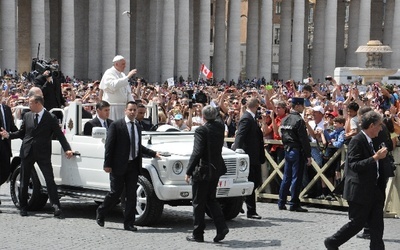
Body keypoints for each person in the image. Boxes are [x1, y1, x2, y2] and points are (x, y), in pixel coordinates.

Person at [2, 95, 74, 218]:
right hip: (27, 151)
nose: (28, 105)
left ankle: (56, 206)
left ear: (37, 103)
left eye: (30, 103)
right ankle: (23, 206)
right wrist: (8, 135)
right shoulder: (27, 116)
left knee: (49, 179)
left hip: (43, 153)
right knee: (24, 180)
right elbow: (22, 133)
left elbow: (59, 135)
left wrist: (67, 149)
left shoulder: (50, 118)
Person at [324, 111, 387, 250]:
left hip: (373, 189)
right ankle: (332, 242)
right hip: (360, 190)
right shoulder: (357, 140)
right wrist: (375, 158)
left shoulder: (372, 140)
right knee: (357, 223)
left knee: (377, 225)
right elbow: (354, 165)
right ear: (371, 126)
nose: (381, 128)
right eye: (379, 125)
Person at [96, 101, 160, 231]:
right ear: (125, 110)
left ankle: (129, 223)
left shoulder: (137, 126)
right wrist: (107, 164)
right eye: (130, 110)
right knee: (115, 193)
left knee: (131, 195)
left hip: (133, 165)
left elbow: (137, 146)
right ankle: (101, 212)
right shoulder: (116, 125)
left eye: (134, 110)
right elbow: (109, 146)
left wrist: (153, 153)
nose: (132, 112)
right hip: (118, 165)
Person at [185, 105, 229, 243]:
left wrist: (188, 171)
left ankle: (198, 234)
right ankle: (221, 227)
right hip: (216, 168)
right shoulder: (220, 127)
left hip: (203, 170)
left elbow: (197, 152)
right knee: (211, 199)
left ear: (203, 117)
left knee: (198, 202)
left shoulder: (201, 130)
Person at [233, 97, 265, 219]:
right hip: (248, 156)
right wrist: (238, 152)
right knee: (252, 182)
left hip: (254, 155)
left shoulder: (250, 117)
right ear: (256, 105)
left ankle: (240, 202)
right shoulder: (246, 118)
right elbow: (240, 136)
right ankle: (251, 210)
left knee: (256, 182)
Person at [278, 97, 311, 212]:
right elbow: (304, 139)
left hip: (287, 149)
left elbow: (282, 136)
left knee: (286, 177)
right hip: (297, 150)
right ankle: (294, 203)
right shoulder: (299, 120)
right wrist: (308, 155)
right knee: (296, 178)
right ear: (297, 106)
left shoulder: (284, 119)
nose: (303, 108)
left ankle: (281, 202)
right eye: (302, 106)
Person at [99, 55, 137, 120]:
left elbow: (128, 92)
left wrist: (133, 104)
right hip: (112, 107)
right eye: (123, 64)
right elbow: (113, 85)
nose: (125, 66)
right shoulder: (109, 73)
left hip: (123, 107)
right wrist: (128, 77)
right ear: (116, 64)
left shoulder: (122, 75)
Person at [0, 90, 19, 212]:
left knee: (5, 172)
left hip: (5, 146)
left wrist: (23, 133)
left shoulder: (6, 109)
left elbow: (12, 127)